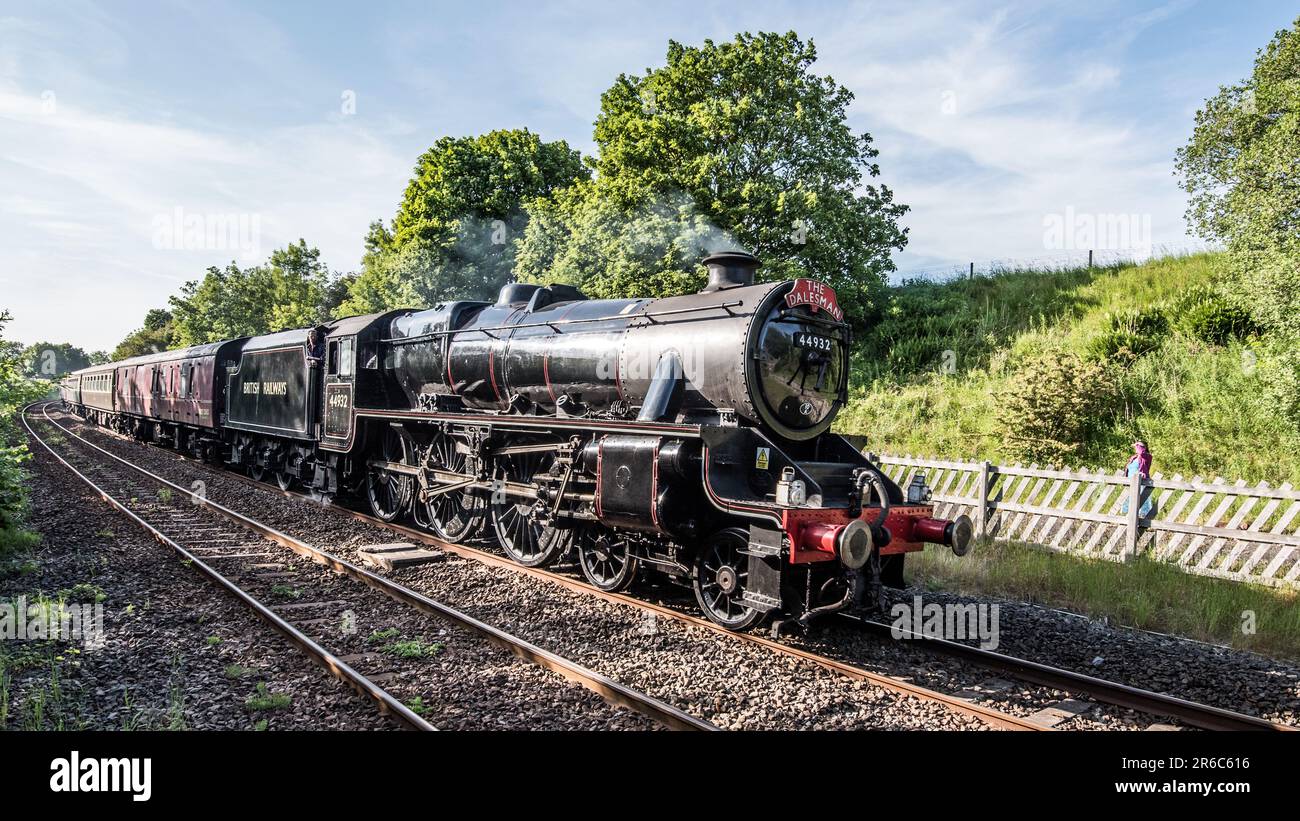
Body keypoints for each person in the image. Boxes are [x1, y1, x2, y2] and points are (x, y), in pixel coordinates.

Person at [1121, 440, 1154, 516]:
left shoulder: (1147, 456)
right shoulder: (1134, 457)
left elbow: (1142, 453)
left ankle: (1141, 517)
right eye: (1136, 446)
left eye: (1139, 446)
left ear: (1144, 448)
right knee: (1130, 502)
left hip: (1140, 482)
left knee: (1141, 503)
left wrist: (1138, 445)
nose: (1137, 447)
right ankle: (1129, 516)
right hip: (1131, 482)